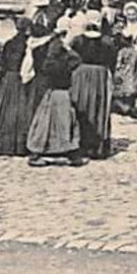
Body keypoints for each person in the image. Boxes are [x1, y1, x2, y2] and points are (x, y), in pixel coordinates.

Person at [27, 18, 84, 167]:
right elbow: (77, 60)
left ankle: (42, 151)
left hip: (51, 91)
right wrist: (67, 48)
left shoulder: (41, 50)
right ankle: (68, 152)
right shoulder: (61, 59)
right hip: (60, 91)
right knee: (64, 122)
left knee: (46, 121)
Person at [70, 11, 116, 158]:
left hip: (81, 76)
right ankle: (97, 145)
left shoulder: (77, 40)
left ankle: (81, 143)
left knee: (82, 105)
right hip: (100, 77)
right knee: (98, 107)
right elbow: (112, 62)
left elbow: (71, 58)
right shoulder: (107, 42)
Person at [0, 17, 33, 157]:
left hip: (8, 78)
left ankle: (0, 145)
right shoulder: (28, 44)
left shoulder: (9, 43)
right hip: (20, 79)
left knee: (4, 112)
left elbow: (1, 63)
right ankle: (19, 146)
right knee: (20, 113)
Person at [112, 0, 137, 117]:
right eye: (129, 14)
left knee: (135, 78)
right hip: (123, 55)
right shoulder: (121, 27)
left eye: (134, 14)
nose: (131, 16)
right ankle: (123, 104)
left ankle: (132, 104)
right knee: (122, 78)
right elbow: (116, 40)